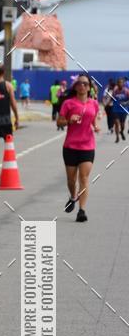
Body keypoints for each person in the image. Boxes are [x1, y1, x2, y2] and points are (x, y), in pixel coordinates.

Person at [58, 72, 100, 223]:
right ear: (75, 87)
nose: (82, 86)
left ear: (89, 88)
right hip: (70, 146)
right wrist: (69, 120)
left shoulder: (94, 103)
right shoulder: (68, 103)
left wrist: (96, 126)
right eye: (80, 83)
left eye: (85, 84)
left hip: (87, 146)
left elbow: (93, 119)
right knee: (71, 179)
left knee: (84, 178)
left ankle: (82, 210)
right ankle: (73, 197)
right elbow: (59, 122)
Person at [111, 77, 128, 142]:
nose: (119, 84)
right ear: (117, 83)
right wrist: (107, 103)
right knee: (117, 123)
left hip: (123, 110)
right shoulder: (115, 91)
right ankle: (117, 137)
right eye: (118, 82)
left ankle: (121, 131)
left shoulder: (126, 91)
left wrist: (125, 103)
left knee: (122, 125)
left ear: (123, 83)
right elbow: (112, 98)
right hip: (116, 110)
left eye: (121, 82)